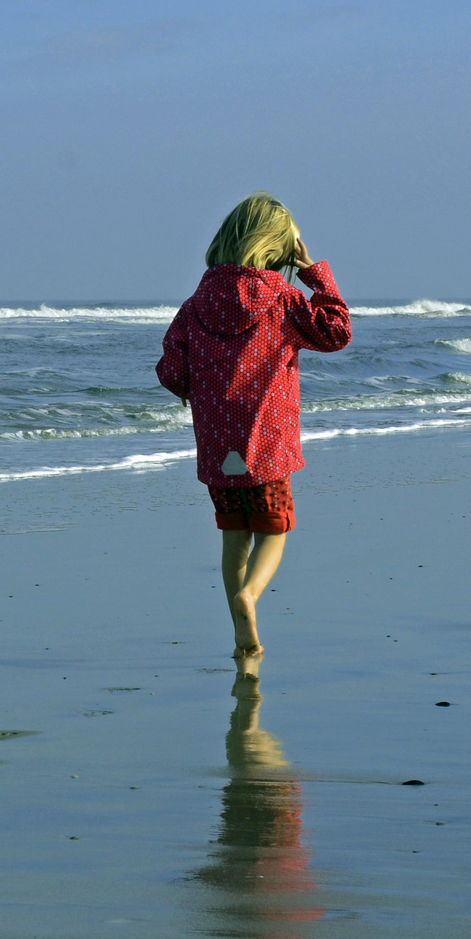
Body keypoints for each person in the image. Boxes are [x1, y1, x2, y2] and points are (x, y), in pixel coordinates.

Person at [156, 193, 351, 663]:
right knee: (274, 528)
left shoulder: (196, 303)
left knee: (233, 533)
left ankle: (240, 633)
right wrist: (315, 273)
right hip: (267, 443)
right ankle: (250, 599)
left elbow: (170, 370)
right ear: (276, 248)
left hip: (217, 443)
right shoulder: (282, 299)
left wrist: (194, 388)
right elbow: (337, 332)